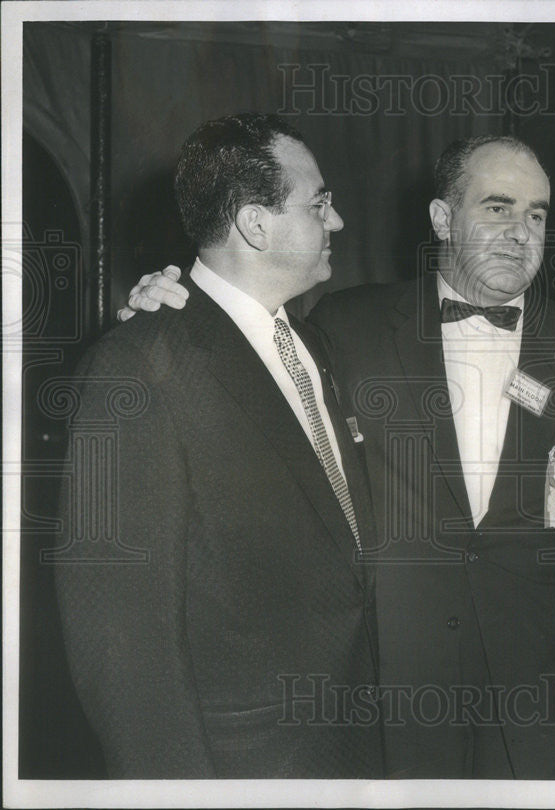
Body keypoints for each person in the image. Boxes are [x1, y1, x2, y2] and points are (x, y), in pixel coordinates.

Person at [120, 134, 555, 779]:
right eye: (497, 208)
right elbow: (245, 355)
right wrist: (167, 302)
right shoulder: (345, 326)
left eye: (537, 214)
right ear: (442, 218)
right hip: (389, 696)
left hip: (545, 702)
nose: (521, 232)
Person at [55, 114, 382, 778]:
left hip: (347, 753)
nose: (338, 222)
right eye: (319, 204)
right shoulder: (137, 366)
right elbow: (119, 643)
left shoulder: (313, 345)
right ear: (257, 226)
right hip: (239, 767)